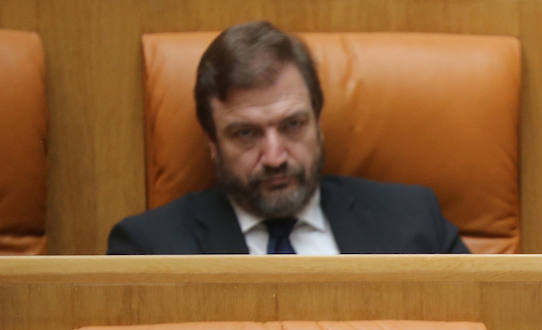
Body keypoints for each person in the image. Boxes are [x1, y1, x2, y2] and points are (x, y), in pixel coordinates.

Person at [107, 21, 469, 255]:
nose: (275, 156)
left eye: (293, 125)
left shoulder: (414, 223)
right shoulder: (147, 250)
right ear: (212, 142)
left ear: (318, 121)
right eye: (246, 133)